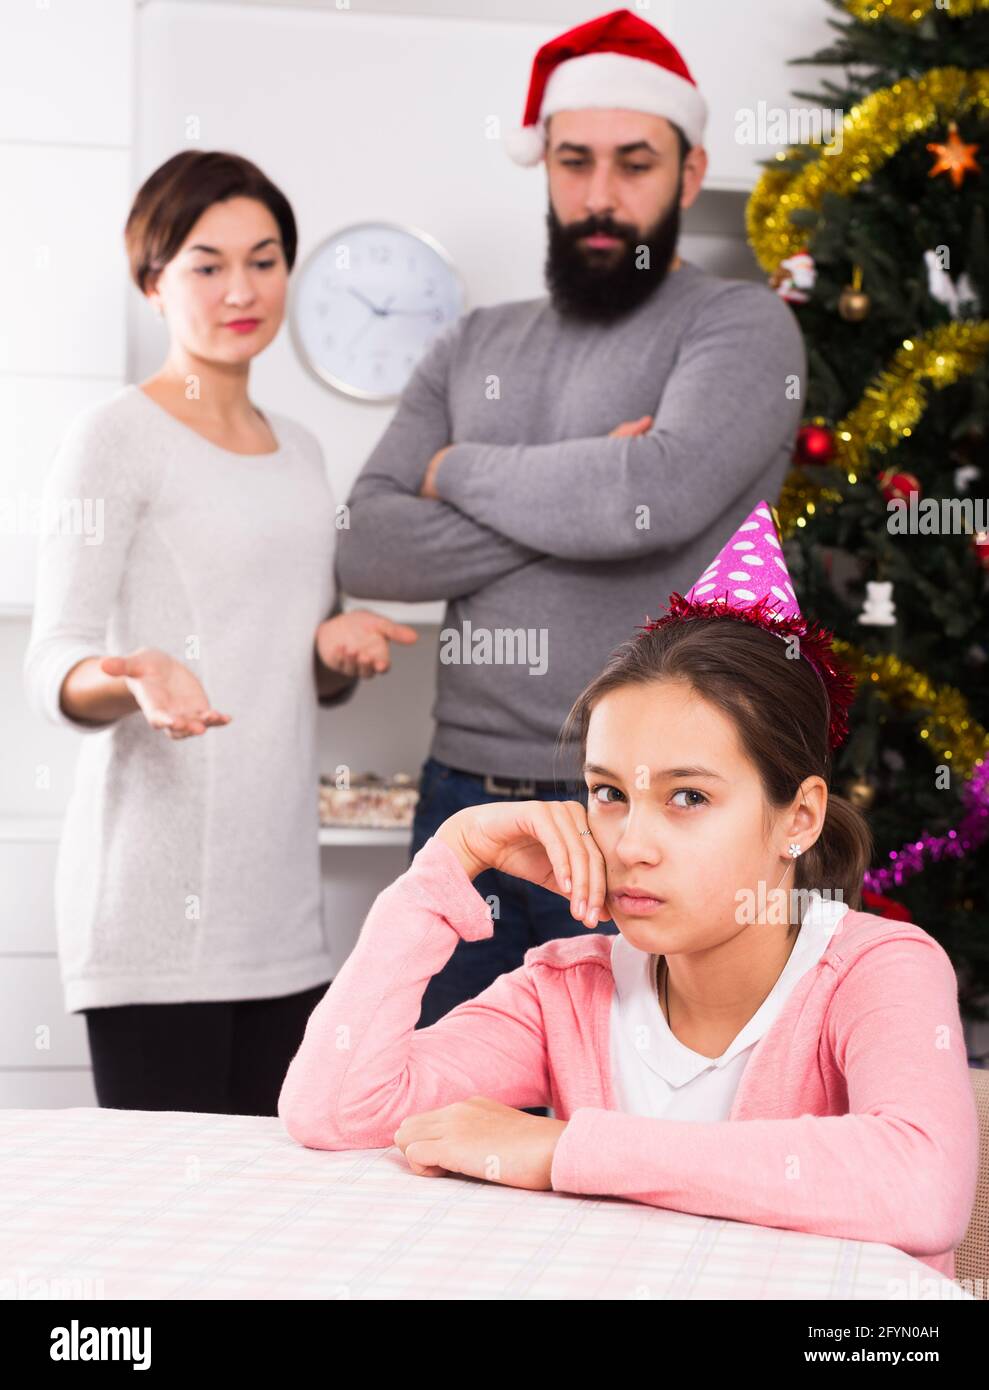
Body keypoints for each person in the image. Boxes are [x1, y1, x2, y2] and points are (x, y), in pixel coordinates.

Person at [278, 500, 980, 1281]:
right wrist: (447, 858)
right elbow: (335, 1110)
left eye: (688, 798)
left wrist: (567, 1151)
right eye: (608, 793)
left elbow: (922, 1187)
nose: (630, 845)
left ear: (800, 816)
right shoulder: (567, 989)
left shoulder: (877, 970)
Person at [335, 8, 808, 1030]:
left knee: (628, 1138)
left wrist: (453, 469)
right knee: (443, 1130)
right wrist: (590, 483)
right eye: (572, 160)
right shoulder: (472, 343)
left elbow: (658, 493)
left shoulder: (736, 326)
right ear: (541, 165)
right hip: (467, 806)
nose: (598, 196)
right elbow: (367, 538)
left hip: (655, 814)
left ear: (688, 174)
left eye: (633, 163)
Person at [23, 149, 417, 1116]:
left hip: (278, 901)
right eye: (206, 264)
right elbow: (53, 659)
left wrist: (332, 653)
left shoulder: (303, 451)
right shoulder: (113, 437)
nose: (241, 289)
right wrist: (134, 676)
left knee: (271, 1207)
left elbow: (289, 654)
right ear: (153, 282)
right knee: (166, 1231)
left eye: (265, 257)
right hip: (154, 905)